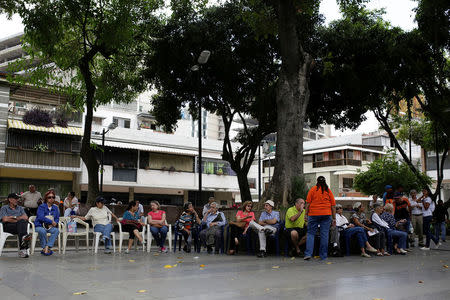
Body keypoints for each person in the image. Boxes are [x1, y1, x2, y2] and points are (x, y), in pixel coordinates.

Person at [304, 176, 336, 261]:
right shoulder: (328, 191)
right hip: (326, 214)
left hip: (313, 214)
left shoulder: (313, 189)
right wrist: (334, 218)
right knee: (324, 235)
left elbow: (307, 204)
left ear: (317, 182)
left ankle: (308, 254)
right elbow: (333, 206)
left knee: (311, 234)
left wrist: (305, 215)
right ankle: (323, 256)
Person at [0, 193, 32, 258]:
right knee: (22, 222)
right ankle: (23, 247)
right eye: (15, 199)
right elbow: (5, 219)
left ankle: (23, 246)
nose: (17, 200)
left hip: (19, 226)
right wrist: (19, 218)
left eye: (18, 199)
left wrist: (13, 217)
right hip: (8, 227)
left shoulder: (20, 208)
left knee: (22, 222)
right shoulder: (4, 208)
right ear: (10, 199)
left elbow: (26, 217)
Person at [34, 191, 60, 256]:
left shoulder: (55, 208)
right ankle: (44, 248)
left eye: (53, 197)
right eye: (49, 197)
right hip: (40, 225)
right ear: (46, 198)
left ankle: (47, 247)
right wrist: (51, 222)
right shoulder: (41, 207)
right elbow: (40, 217)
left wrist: (55, 223)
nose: (51, 199)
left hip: (50, 227)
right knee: (42, 231)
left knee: (56, 230)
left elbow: (57, 218)